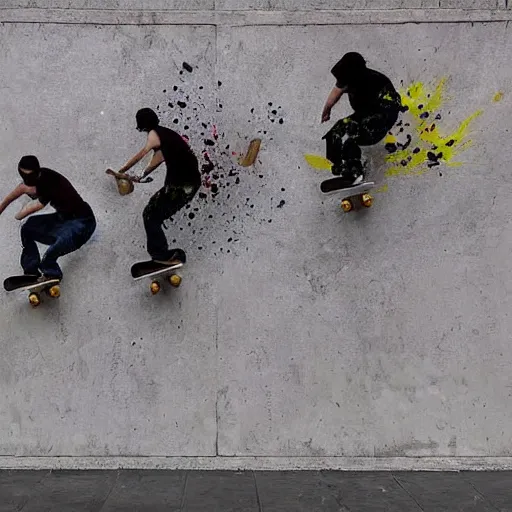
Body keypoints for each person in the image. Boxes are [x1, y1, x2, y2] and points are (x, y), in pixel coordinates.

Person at [110, 108, 200, 264]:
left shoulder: (155, 134)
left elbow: (140, 156)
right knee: (153, 215)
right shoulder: (167, 137)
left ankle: (161, 256)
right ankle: (171, 256)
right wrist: (139, 176)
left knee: (150, 215)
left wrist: (120, 171)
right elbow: (154, 162)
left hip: (180, 184)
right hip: (190, 184)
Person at [0, 155, 96, 281]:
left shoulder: (48, 180)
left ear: (36, 174)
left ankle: (52, 273)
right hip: (63, 219)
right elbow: (9, 198)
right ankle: (31, 271)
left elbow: (36, 207)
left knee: (57, 246)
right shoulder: (32, 181)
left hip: (83, 222)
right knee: (28, 228)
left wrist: (18, 216)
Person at [321, 52, 402, 187]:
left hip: (382, 117)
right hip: (367, 114)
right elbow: (338, 89)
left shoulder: (374, 82)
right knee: (336, 131)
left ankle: (355, 173)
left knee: (349, 138)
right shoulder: (352, 79)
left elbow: (389, 109)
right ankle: (341, 167)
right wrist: (327, 108)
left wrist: (363, 125)